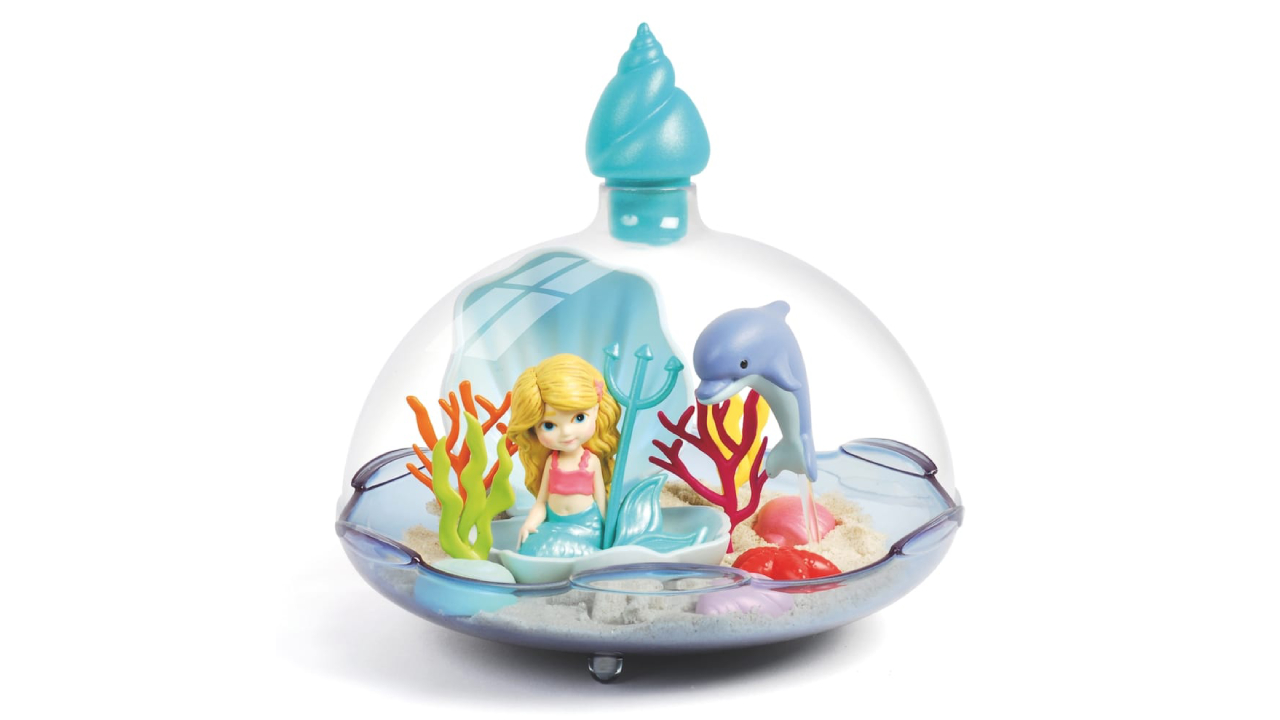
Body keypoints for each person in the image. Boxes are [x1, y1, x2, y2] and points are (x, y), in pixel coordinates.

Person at [506, 354, 621, 557]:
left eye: (579, 417)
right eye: (549, 425)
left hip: (587, 528)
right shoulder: (552, 462)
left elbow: (602, 502)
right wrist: (529, 523)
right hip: (554, 525)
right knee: (531, 547)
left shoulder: (591, 462)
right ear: (533, 428)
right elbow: (541, 503)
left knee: (550, 550)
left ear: (595, 410)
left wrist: (610, 536)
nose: (566, 432)